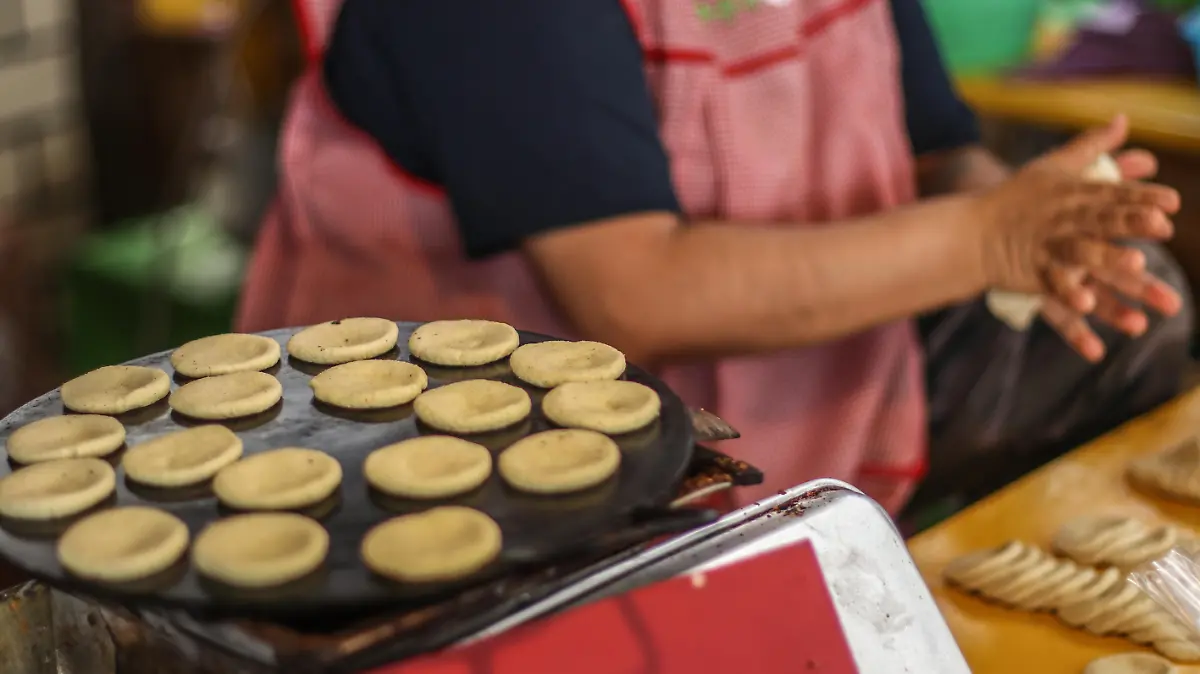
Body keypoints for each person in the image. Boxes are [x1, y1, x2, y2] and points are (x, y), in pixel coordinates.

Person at [238, 0, 1193, 513]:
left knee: (1143, 313)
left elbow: (938, 149)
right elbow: (634, 287)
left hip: (787, 383)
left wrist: (1048, 245)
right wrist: (990, 238)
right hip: (480, 451)